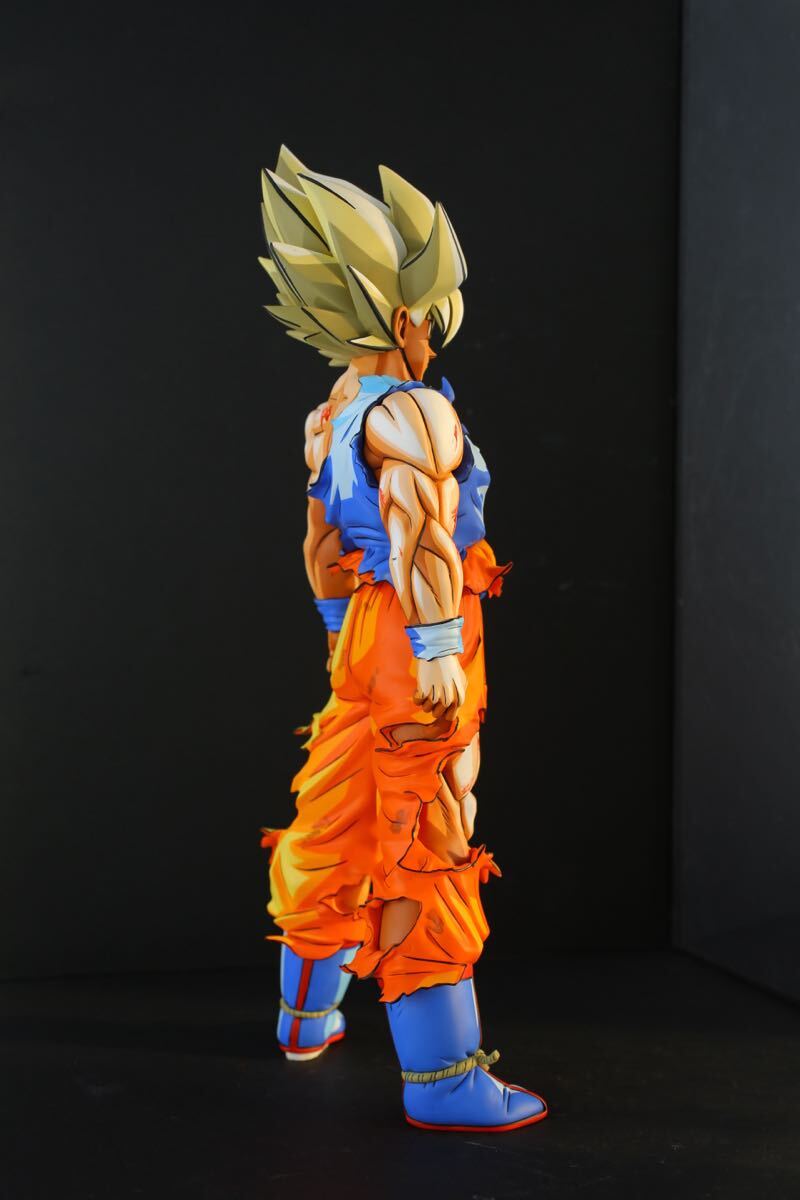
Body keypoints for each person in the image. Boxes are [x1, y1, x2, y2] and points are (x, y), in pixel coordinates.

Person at [258, 146, 547, 1132]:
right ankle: (446, 1082)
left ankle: (305, 1021)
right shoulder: (414, 408)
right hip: (423, 628)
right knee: (429, 827)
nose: (433, 330)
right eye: (429, 311)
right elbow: (421, 529)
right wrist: (430, 650)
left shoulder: (330, 411)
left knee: (335, 814)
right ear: (401, 314)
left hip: (363, 630)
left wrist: (343, 632)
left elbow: (321, 545)